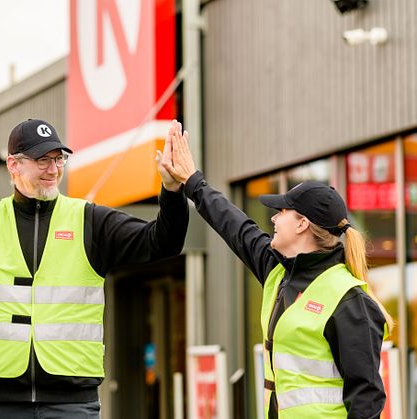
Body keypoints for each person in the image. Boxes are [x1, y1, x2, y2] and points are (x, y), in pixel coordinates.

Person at [0, 113, 190, 418]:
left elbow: (161, 243)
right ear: (13, 164)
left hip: (72, 406)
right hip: (1, 404)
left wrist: (173, 191)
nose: (53, 169)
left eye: (58, 159)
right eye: (43, 160)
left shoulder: (90, 221)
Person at [161, 123, 392, 418]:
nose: (274, 218)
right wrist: (193, 182)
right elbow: (235, 226)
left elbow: (367, 399)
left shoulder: (349, 300)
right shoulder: (278, 271)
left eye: (282, 211)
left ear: (302, 224)